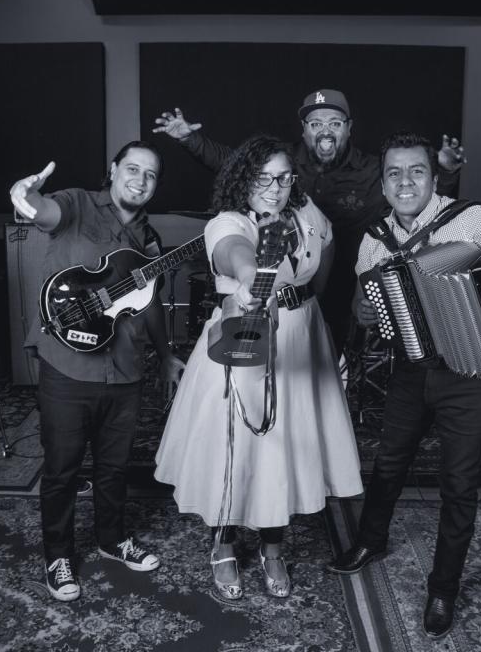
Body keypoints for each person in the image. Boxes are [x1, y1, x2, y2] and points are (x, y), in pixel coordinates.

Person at [325, 131, 481, 639]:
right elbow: (365, 301)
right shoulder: (374, 238)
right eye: (394, 173)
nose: (405, 181)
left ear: (435, 175)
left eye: (417, 171)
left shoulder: (470, 219)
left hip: (470, 374)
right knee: (388, 463)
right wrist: (363, 310)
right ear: (382, 183)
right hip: (410, 369)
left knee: (459, 483)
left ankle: (443, 587)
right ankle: (370, 541)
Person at [154, 134, 363, 601]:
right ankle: (224, 542)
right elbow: (234, 252)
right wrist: (253, 280)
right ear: (243, 179)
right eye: (262, 177)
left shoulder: (308, 214)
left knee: (286, 448)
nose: (274, 187)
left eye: (283, 177)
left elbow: (323, 257)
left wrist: (311, 309)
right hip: (248, 340)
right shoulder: (229, 221)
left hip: (303, 338)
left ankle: (273, 546)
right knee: (240, 446)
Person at [152, 89, 467, 354]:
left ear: (348, 127)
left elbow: (416, 195)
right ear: (304, 129)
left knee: (327, 360)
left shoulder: (374, 169)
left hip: (347, 282)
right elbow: (231, 162)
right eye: (316, 123)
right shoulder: (282, 162)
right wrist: (190, 140)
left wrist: (446, 172)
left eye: (334, 122)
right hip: (300, 283)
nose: (325, 130)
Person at [9, 140, 186, 602]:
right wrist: (24, 195)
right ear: (113, 170)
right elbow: (42, 210)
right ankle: (59, 555)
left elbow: (150, 307)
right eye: (132, 168)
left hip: (126, 372)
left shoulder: (149, 242)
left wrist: (166, 355)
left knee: (114, 467)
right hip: (68, 366)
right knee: (63, 469)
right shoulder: (78, 203)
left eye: (150, 175)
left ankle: (111, 540)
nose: (140, 179)